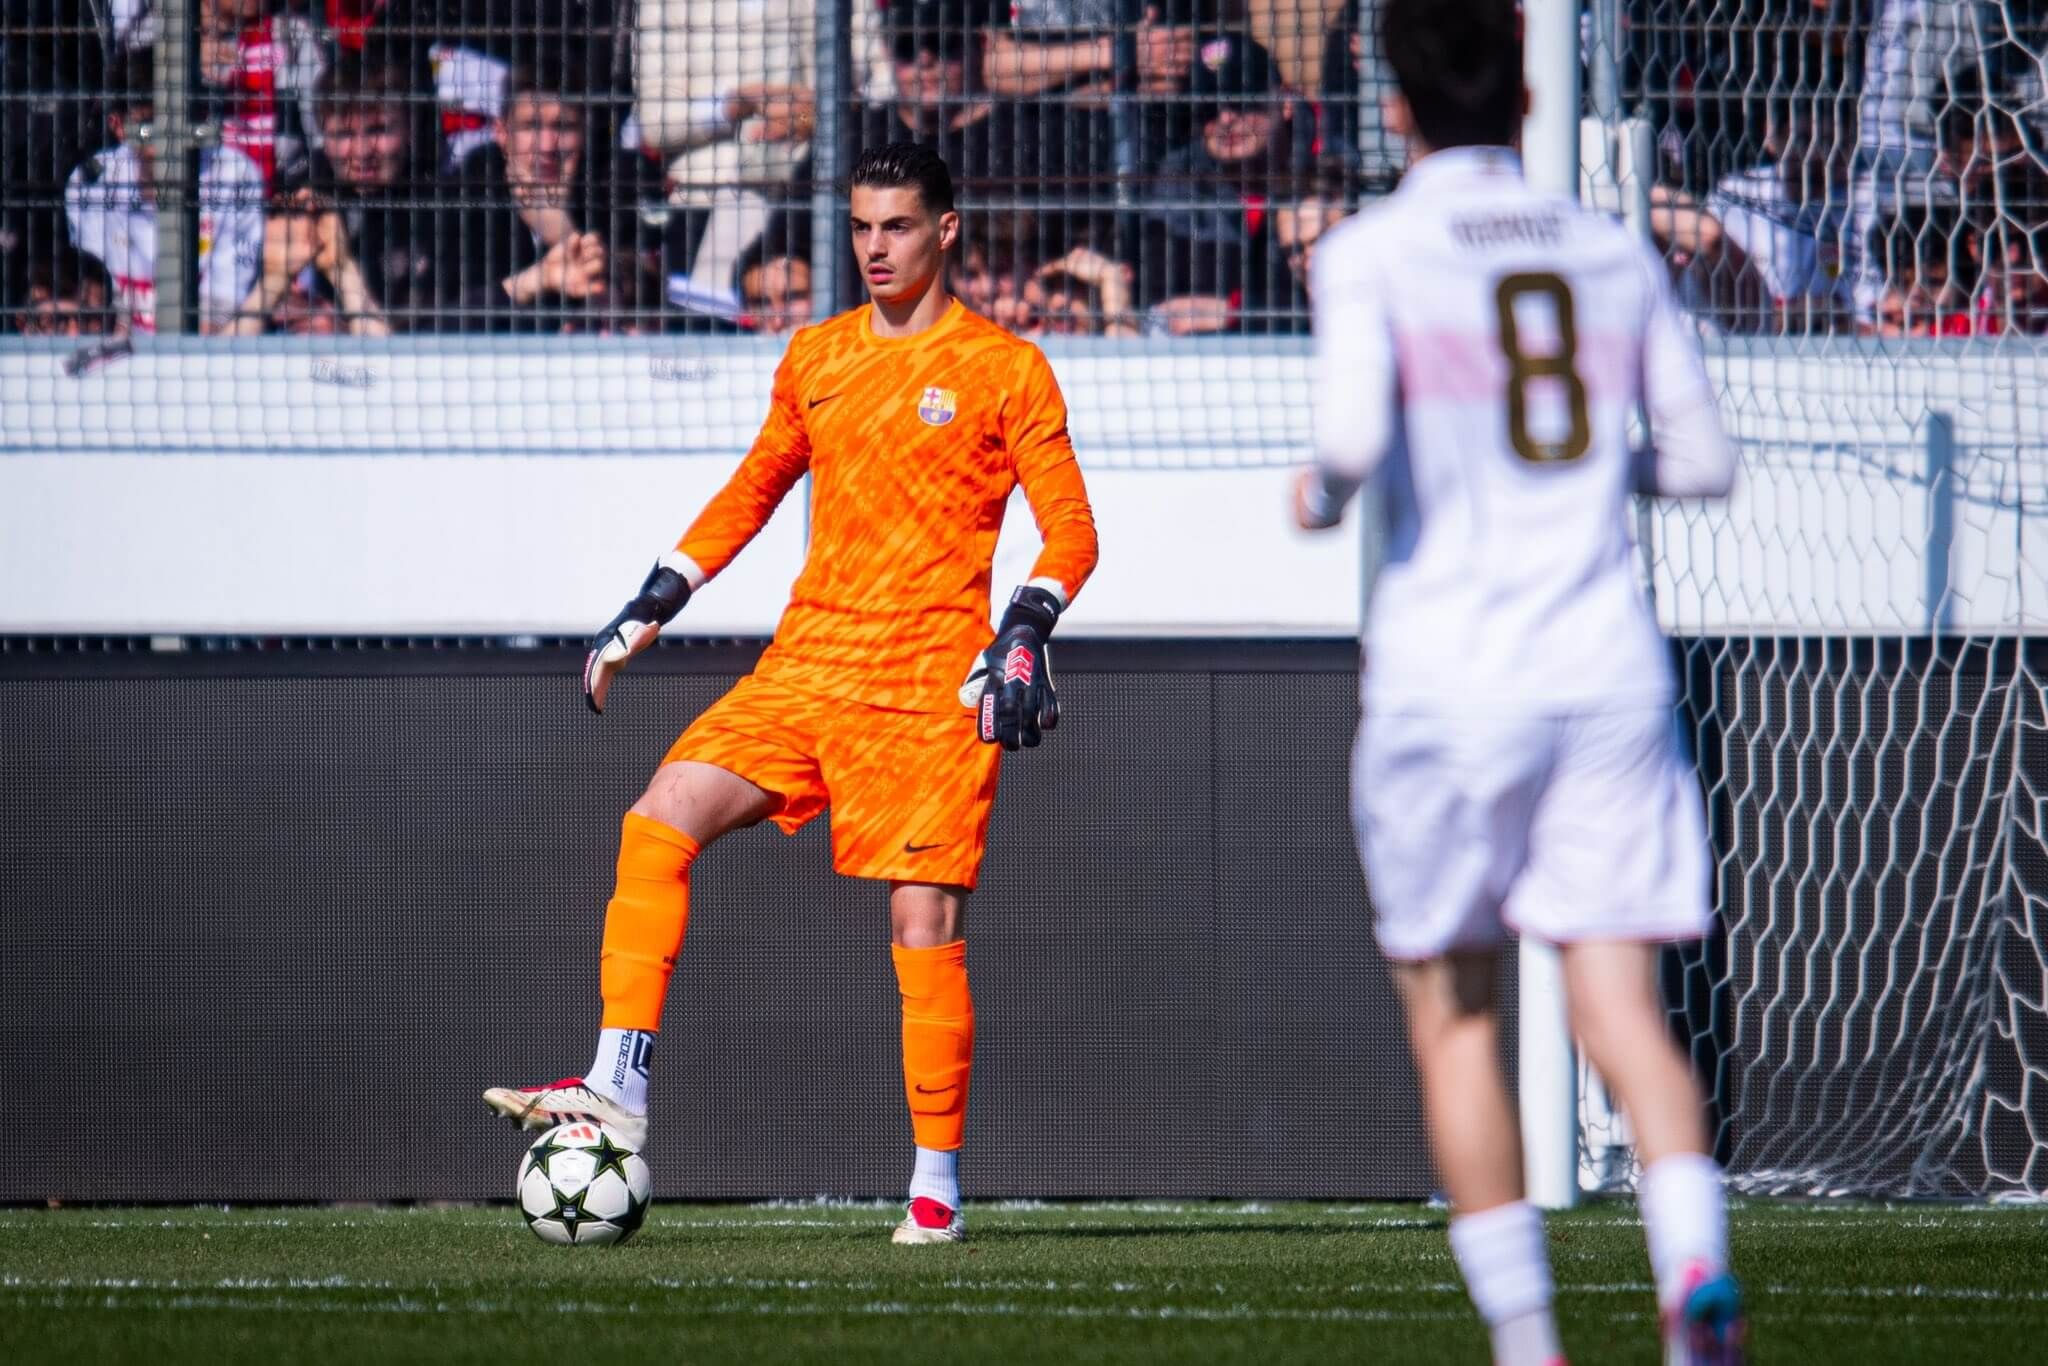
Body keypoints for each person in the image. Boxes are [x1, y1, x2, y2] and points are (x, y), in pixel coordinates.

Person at [483, 143, 1099, 1246]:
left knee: (922, 925)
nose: (874, 246)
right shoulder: (817, 353)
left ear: (945, 230)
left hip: (926, 685)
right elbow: (755, 485)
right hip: (806, 665)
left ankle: (934, 1186)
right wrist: (655, 598)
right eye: (861, 225)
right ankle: (618, 1083)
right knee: (658, 818)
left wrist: (1024, 627)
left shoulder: (1006, 367)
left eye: (896, 225)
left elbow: (1073, 530)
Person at [1291, 1, 1744, 1362]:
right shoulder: (1610, 247)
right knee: (1622, 1012)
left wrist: (1315, 496)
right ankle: (1693, 1273)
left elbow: (1350, 445)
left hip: (1447, 681)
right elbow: (1705, 462)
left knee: (1456, 1023)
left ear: (1393, 106)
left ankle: (1529, 1341)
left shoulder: (1370, 250)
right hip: (1603, 673)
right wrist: (1603, 465)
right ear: (1529, 100)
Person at [64, 49, 266, 335]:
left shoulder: (236, 175)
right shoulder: (90, 184)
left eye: (178, 119)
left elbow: (223, 305)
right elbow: (99, 303)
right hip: (120, 349)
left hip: (208, 348)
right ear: (118, 125)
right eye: (149, 124)